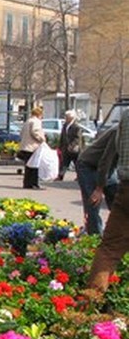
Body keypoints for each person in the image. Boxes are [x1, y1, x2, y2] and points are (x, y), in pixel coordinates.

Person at [86, 108, 129, 293]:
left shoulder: (126, 114)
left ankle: (92, 301)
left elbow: (116, 148)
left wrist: (100, 186)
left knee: (110, 248)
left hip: (126, 187)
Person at [76, 125, 119, 235]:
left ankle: (118, 234)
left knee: (117, 200)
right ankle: (95, 239)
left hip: (107, 167)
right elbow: (105, 160)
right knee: (93, 202)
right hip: (88, 165)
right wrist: (99, 188)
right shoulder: (118, 132)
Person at [17, 106, 46, 190]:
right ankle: (34, 184)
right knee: (34, 166)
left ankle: (27, 183)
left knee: (28, 166)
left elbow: (21, 133)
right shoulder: (36, 121)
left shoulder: (28, 121)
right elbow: (35, 132)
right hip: (33, 147)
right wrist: (42, 139)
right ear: (39, 114)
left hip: (25, 146)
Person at [56, 110, 83, 181]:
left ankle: (79, 176)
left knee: (77, 164)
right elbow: (62, 136)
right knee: (64, 163)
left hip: (74, 149)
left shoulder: (76, 127)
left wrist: (71, 146)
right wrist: (60, 146)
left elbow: (77, 138)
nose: (66, 118)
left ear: (72, 118)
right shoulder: (65, 125)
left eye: (67, 117)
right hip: (66, 148)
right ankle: (60, 176)